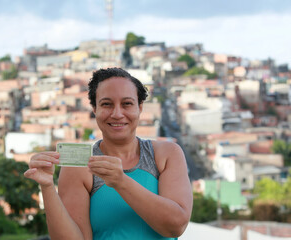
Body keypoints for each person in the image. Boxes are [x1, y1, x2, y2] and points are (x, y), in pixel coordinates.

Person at [24, 67, 193, 240]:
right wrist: (47, 187)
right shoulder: (80, 166)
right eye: (106, 104)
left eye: (127, 103)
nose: (117, 114)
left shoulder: (166, 154)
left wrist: (120, 181)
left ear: (140, 107)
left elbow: (176, 226)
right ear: (94, 109)